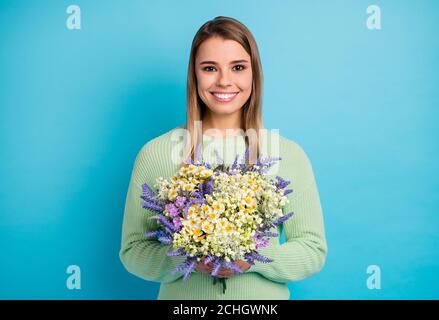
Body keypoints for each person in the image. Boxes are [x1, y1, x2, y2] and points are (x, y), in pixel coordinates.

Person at [119, 16, 327, 300]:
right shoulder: (155, 153)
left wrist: (252, 256)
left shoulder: (288, 154)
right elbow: (133, 251)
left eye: (238, 67)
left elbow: (312, 249)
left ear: (254, 74)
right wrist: (190, 259)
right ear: (194, 74)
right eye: (210, 68)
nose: (224, 81)